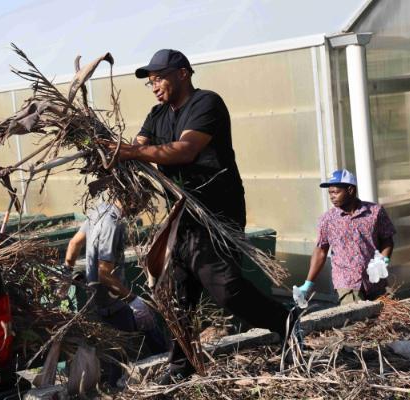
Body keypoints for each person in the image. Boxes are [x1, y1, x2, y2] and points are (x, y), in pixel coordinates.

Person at [107, 49, 296, 383]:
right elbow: (137, 148)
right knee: (180, 294)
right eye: (150, 82)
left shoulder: (206, 104)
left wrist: (132, 151)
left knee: (226, 289)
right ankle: (182, 366)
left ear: (183, 74)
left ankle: (285, 320)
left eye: (159, 78)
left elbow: (185, 150)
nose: (154, 87)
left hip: (216, 212)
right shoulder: (156, 114)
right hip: (182, 216)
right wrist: (113, 155)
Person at [64, 199, 167, 386]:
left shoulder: (98, 211)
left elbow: (73, 243)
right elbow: (103, 273)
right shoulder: (112, 222)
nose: (139, 209)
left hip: (97, 300)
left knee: (136, 339)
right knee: (122, 359)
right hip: (112, 302)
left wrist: (66, 273)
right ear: (132, 197)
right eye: (140, 204)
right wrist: (132, 299)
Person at [297, 169, 396, 305]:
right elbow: (321, 251)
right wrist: (308, 284)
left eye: (335, 192)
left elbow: (387, 240)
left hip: (375, 280)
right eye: (330, 193)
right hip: (347, 283)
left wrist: (383, 261)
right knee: (358, 321)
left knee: (386, 320)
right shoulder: (327, 220)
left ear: (350, 190)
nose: (332, 196)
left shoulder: (375, 212)